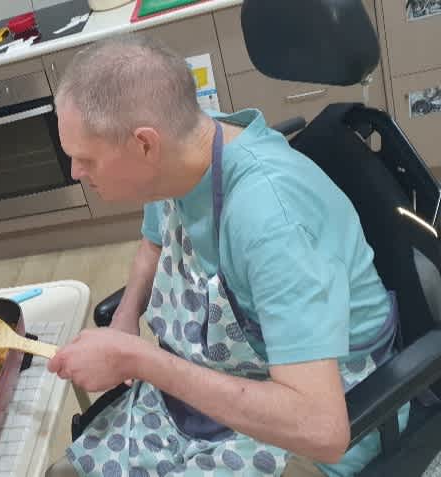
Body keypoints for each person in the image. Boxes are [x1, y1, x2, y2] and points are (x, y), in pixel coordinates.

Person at [45, 35, 403, 477]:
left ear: (143, 144)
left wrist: (140, 360)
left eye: (86, 159)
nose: (76, 173)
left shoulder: (271, 219)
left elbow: (323, 430)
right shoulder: (182, 148)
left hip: (311, 411)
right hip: (212, 384)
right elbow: (154, 242)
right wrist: (126, 315)